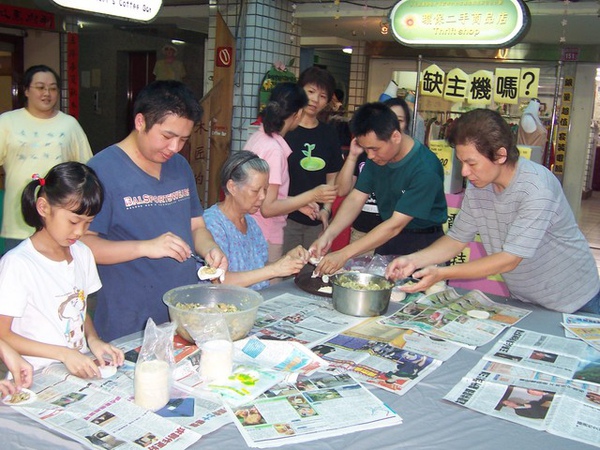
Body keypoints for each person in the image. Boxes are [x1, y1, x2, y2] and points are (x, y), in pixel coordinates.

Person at [385, 108, 600, 314]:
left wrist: (442, 273)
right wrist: (414, 260)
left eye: (471, 163)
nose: (465, 172)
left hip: (577, 300)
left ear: (500, 155)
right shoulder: (480, 185)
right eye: (461, 162)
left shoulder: (536, 188)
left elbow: (510, 259)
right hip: (527, 299)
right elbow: (457, 239)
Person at [81, 80, 227, 342]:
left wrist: (210, 249)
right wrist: (146, 247)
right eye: (168, 137)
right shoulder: (101, 171)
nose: (175, 148)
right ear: (140, 122)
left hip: (182, 310)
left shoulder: (180, 167)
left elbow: (196, 226)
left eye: (183, 139)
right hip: (129, 317)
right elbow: (84, 245)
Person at [0, 162, 124, 377]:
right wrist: (63, 354)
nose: (79, 232)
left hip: (75, 366)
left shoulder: (82, 253)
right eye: (74, 221)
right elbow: (3, 333)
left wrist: (93, 339)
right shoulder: (18, 264)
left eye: (88, 223)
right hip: (35, 373)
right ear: (43, 208)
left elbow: (79, 308)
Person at [310, 102, 447, 275]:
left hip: (424, 243)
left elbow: (395, 225)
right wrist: (328, 235)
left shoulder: (425, 168)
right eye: (366, 149)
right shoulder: (378, 157)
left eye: (374, 149)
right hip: (388, 239)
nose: (370, 156)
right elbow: (356, 198)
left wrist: (344, 254)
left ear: (396, 136)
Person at [0, 65, 93, 254]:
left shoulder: (69, 125)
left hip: (61, 224)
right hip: (18, 222)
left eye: (52, 88)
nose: (47, 93)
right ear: (26, 90)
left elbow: (87, 169)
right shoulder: (7, 122)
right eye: (40, 87)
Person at [243, 82, 337, 262]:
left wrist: (298, 204)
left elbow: (265, 195)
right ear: (298, 114)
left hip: (252, 229)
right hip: (265, 234)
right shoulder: (274, 150)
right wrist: (313, 195)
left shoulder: (259, 137)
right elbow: (268, 208)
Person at [203, 151, 309, 290]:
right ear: (232, 187)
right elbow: (219, 281)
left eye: (265, 190)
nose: (262, 196)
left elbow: (258, 270)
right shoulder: (212, 223)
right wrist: (276, 269)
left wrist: (285, 260)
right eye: (255, 191)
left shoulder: (251, 223)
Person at [336, 97, 412, 253]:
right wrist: (352, 156)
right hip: (362, 232)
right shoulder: (367, 153)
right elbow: (342, 190)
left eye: (400, 120)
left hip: (395, 236)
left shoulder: (412, 160)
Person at [283, 67, 343, 253]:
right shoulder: (285, 130)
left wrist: (326, 210)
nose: (315, 100)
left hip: (316, 220)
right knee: (282, 271)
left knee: (312, 274)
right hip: (284, 218)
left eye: (323, 96)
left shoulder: (329, 133)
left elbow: (332, 178)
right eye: (310, 92)